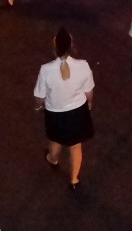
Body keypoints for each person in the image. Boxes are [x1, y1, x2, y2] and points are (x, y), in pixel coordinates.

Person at [34, 28, 95, 190]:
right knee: (75, 146)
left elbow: (39, 96)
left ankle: (52, 159)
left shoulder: (46, 70)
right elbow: (89, 91)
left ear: (54, 47)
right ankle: (74, 179)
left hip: (55, 114)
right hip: (78, 112)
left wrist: (38, 106)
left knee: (56, 139)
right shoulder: (83, 65)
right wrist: (89, 104)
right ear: (71, 46)